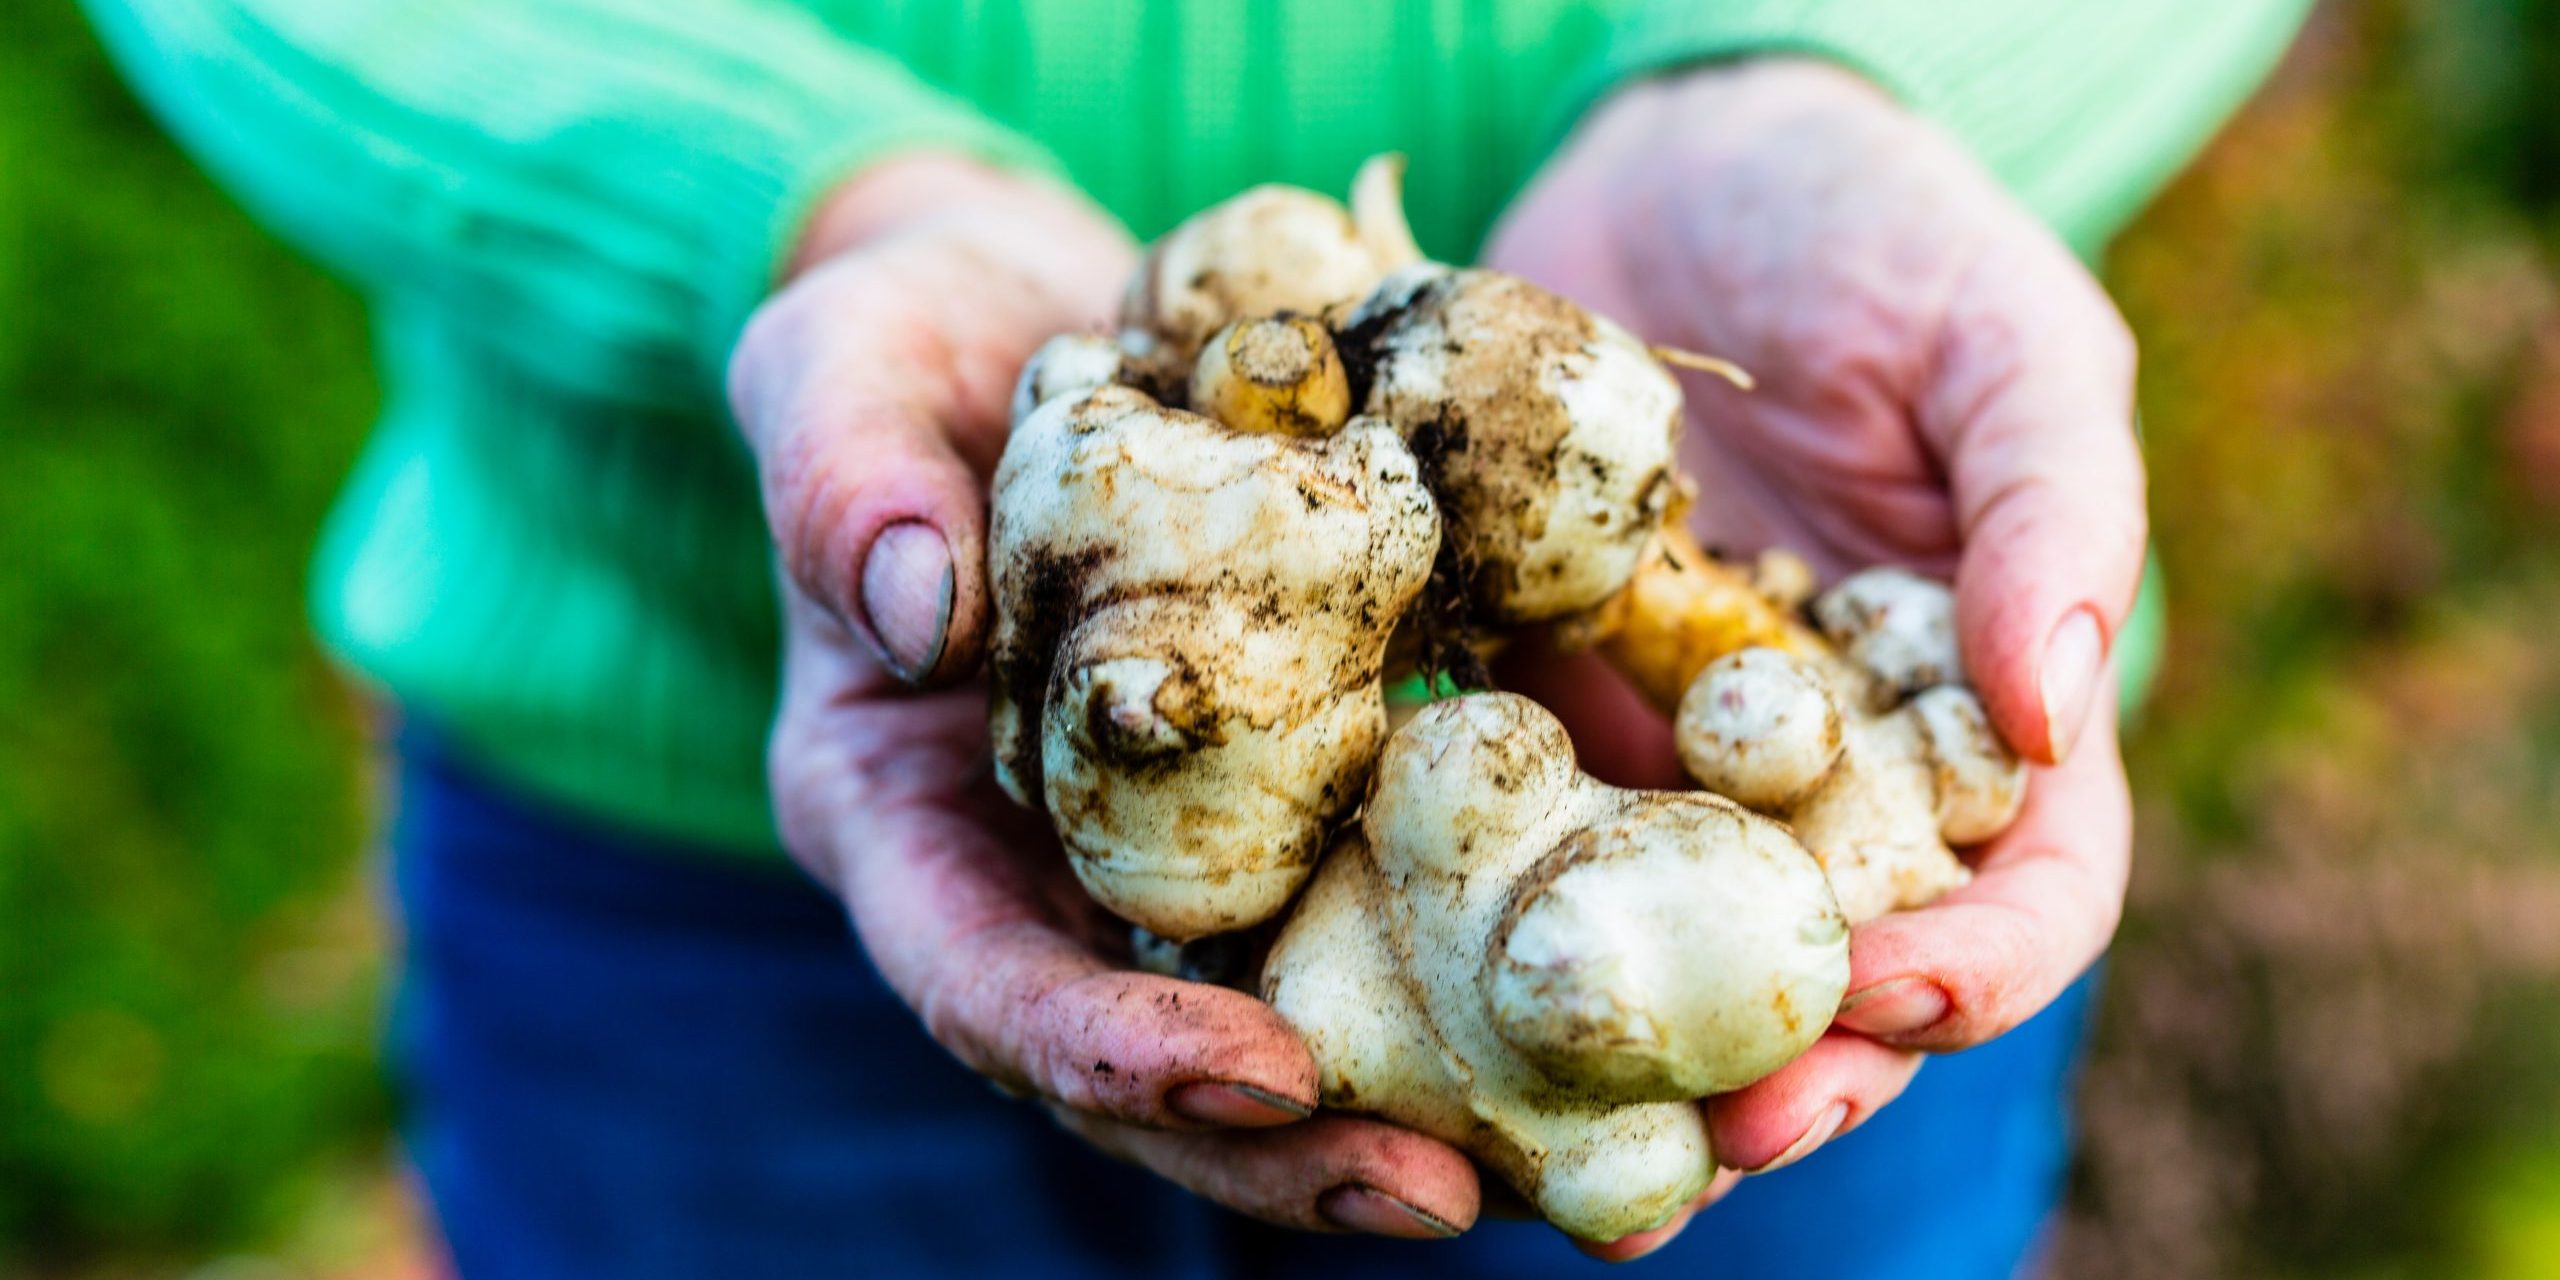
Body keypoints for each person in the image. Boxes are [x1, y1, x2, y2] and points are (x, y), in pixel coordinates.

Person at [82, 1, 2309, 1275]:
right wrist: (798, 201)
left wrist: (1828, 75)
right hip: (680, 877)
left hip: (1748, 948)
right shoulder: (1168, 526)